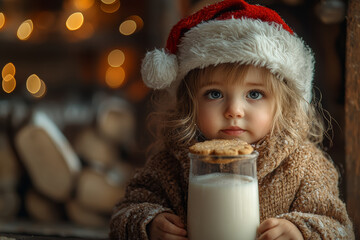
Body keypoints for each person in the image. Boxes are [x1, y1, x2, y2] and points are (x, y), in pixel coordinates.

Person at [109, 0, 355, 239]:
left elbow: (339, 228)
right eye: (214, 94)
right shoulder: (169, 164)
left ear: (284, 105)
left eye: (255, 94)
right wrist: (150, 223)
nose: (234, 110)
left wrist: (301, 232)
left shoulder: (304, 166)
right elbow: (124, 214)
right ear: (189, 103)